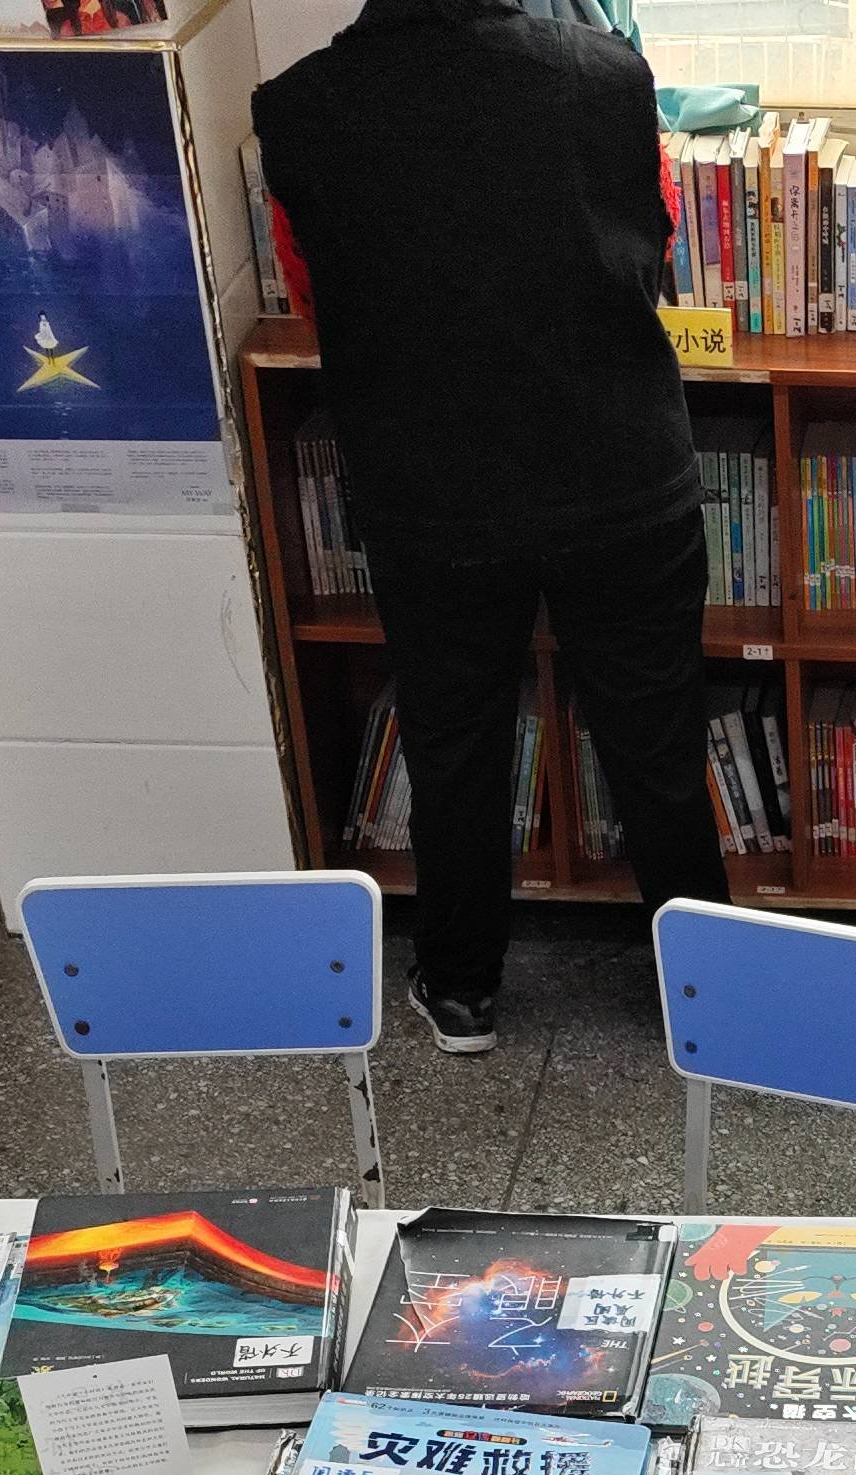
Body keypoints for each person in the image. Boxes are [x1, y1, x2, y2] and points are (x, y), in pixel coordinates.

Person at [259, 0, 732, 1059]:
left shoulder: (297, 109)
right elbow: (652, 242)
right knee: (656, 741)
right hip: (615, 462)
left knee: (454, 739)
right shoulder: (608, 75)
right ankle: (705, 994)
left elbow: (314, 293)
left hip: (431, 482)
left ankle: (462, 987)